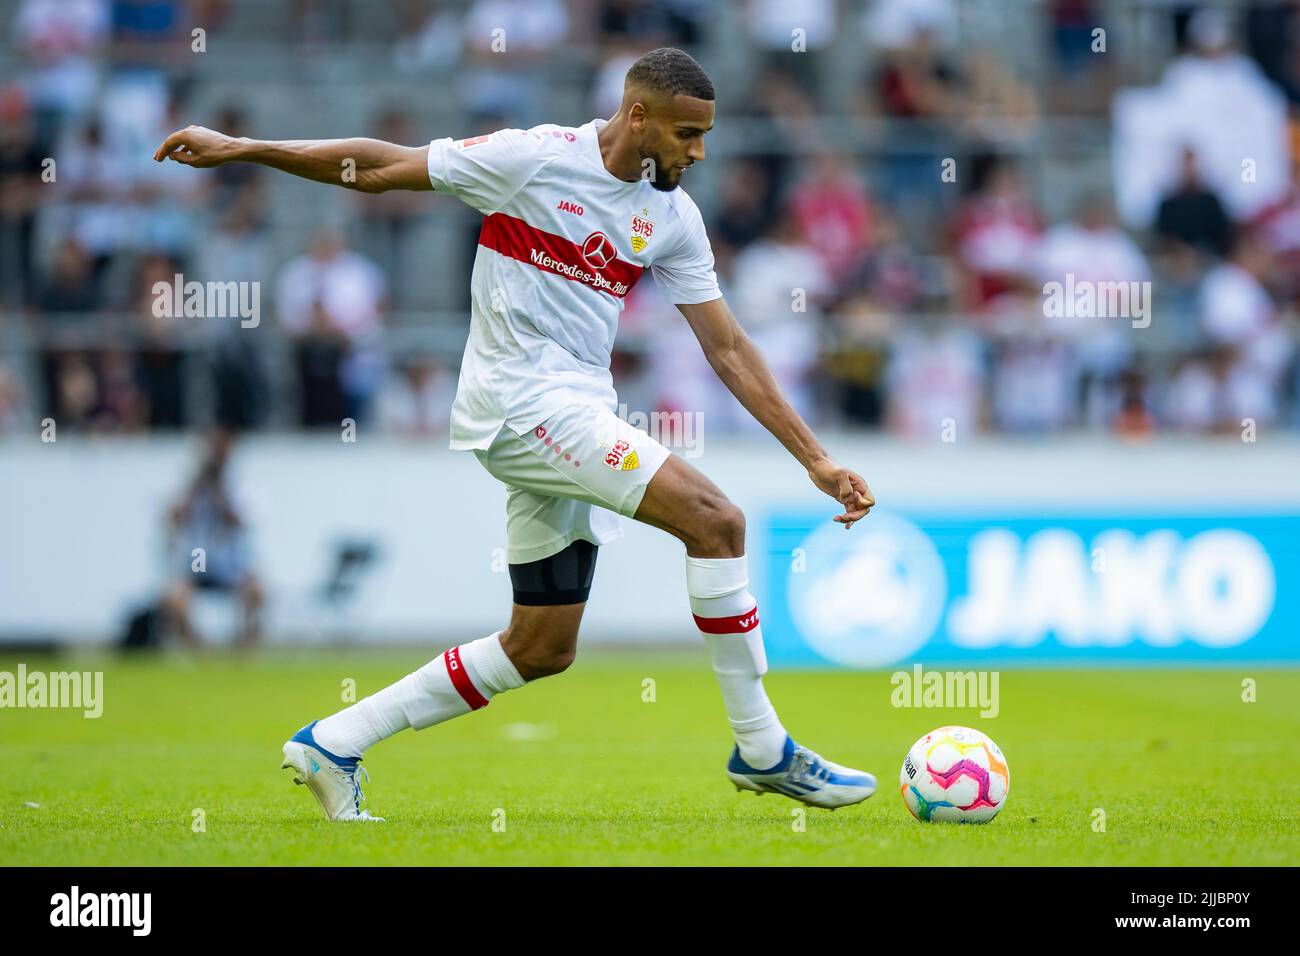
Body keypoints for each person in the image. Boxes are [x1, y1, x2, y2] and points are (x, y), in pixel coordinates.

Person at [153, 47, 877, 822]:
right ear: (639, 116)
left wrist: (817, 459)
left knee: (540, 647)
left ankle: (333, 740)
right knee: (717, 520)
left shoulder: (671, 216)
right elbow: (384, 165)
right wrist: (248, 150)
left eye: (704, 136)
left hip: (572, 412)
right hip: (521, 406)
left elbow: (727, 347)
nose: (698, 152)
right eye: (688, 133)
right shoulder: (534, 160)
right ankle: (762, 748)